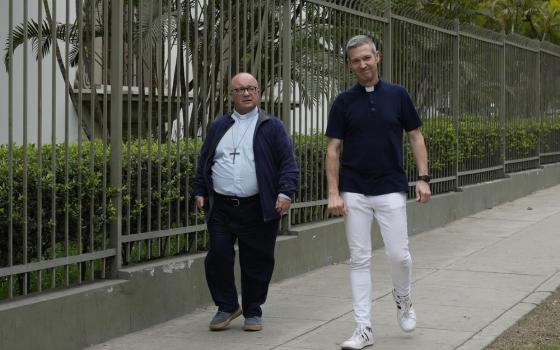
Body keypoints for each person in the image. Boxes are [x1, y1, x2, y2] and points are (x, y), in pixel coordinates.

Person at [325, 35, 431, 350]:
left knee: (399, 255)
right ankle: (364, 328)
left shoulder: (398, 95)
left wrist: (423, 178)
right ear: (349, 65)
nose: (362, 65)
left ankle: (403, 299)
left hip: (390, 186)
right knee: (359, 258)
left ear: (378, 57)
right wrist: (334, 192)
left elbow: (415, 136)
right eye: (355, 60)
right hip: (354, 188)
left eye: (366, 58)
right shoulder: (343, 102)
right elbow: (332, 149)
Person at [192, 72, 298, 332]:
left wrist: (285, 193)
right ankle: (227, 306)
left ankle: (253, 310)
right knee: (217, 256)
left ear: (259, 92)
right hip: (222, 207)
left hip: (257, 206)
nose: (246, 93)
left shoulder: (271, 126)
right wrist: (199, 190)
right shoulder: (218, 126)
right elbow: (204, 160)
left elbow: (288, 164)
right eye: (240, 89)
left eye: (251, 88)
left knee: (257, 261)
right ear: (231, 95)